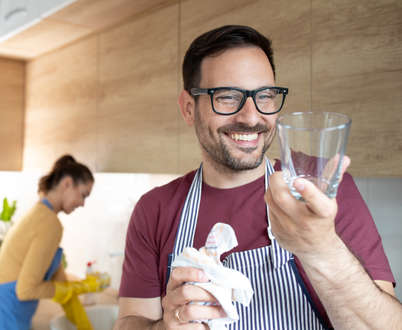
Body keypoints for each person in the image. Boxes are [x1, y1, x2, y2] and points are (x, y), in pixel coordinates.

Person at [114, 25, 401, 329]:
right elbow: (131, 321)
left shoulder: (321, 189)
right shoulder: (154, 209)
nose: (251, 117)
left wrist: (321, 247)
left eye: (264, 95)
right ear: (188, 108)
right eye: (226, 97)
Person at [0, 155, 108, 330]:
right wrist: (75, 288)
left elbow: (61, 285)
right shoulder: (49, 224)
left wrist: (84, 321)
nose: (83, 203)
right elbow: (26, 290)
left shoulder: (41, 216)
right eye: (83, 195)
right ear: (67, 183)